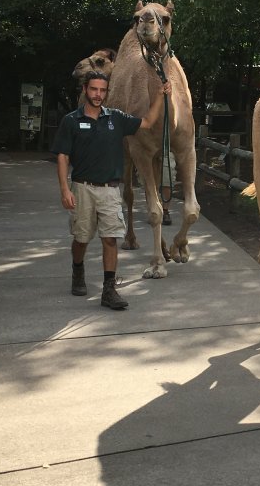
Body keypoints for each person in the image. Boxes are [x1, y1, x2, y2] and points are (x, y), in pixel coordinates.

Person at [52, 70, 171, 310]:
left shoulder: (115, 118)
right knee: (82, 239)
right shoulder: (71, 121)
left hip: (110, 190)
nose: (98, 94)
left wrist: (160, 95)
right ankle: (78, 269)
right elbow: (63, 156)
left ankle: (109, 289)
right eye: (94, 89)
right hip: (82, 188)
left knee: (110, 239)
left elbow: (147, 122)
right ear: (85, 89)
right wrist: (65, 189)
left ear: (107, 93)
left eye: (103, 90)